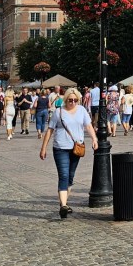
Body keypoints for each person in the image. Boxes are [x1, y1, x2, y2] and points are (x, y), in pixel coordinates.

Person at [39, 88, 98, 218]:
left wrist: (94, 139)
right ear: (65, 99)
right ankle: (64, 205)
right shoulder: (58, 112)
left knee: (70, 176)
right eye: (70, 100)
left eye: (75, 100)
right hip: (60, 147)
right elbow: (50, 130)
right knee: (64, 175)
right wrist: (43, 148)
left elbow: (88, 126)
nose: (72, 102)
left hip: (77, 148)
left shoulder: (82, 110)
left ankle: (63, 204)